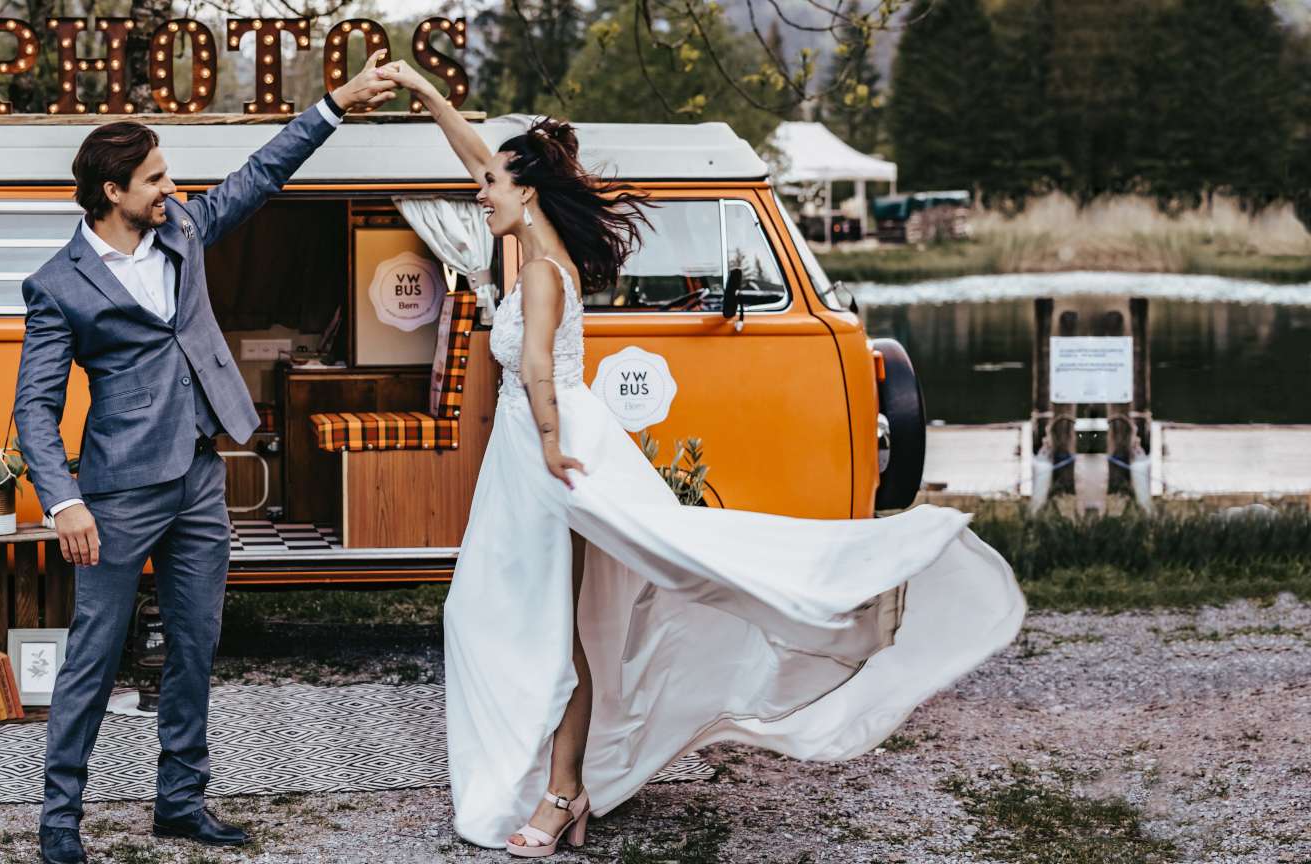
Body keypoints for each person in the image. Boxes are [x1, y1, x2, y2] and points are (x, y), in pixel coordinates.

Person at [374, 61, 1026, 857]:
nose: (481, 193)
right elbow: (478, 158)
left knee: (539, 623)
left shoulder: (539, 271)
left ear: (529, 194)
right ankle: (558, 784)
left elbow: (541, 372)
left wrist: (547, 444)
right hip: (531, 452)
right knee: (523, 618)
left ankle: (559, 790)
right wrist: (424, 91)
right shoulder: (527, 253)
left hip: (547, 452)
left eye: (494, 187)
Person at [13, 54, 398, 864]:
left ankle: (180, 802)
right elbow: (34, 410)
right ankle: (58, 825)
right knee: (93, 653)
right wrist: (64, 501)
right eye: (153, 178)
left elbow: (260, 175)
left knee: (196, 644)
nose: (169, 188)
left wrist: (337, 104)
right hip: (116, 493)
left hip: (198, 477)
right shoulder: (59, 286)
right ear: (111, 193)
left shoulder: (181, 227)